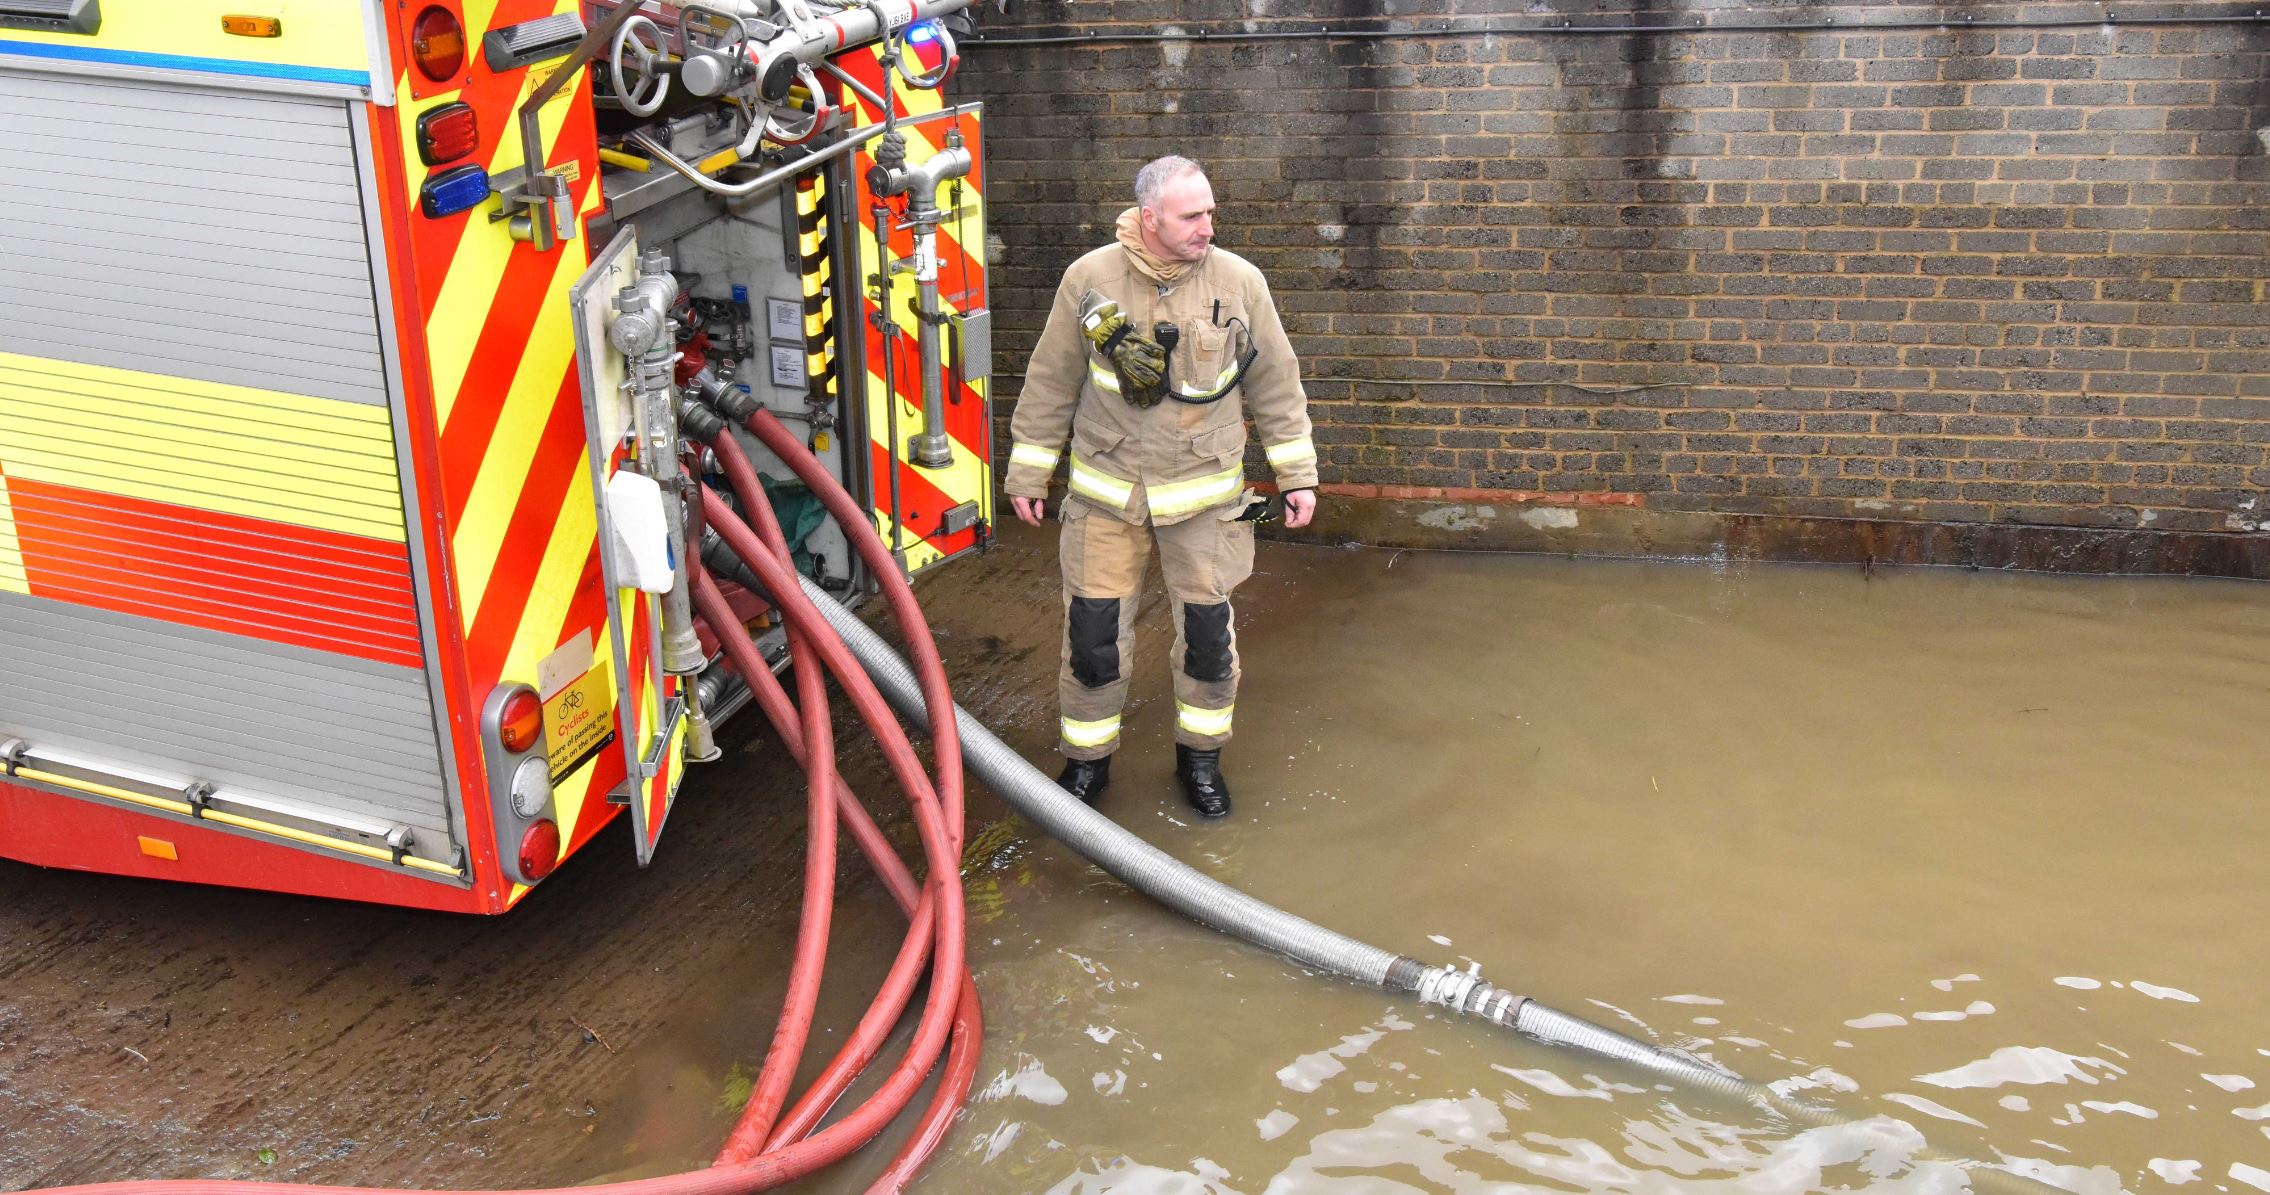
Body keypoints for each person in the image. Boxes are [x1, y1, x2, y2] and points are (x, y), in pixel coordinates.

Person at [1002, 155, 1318, 820]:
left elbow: (1277, 385)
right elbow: (1053, 379)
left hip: (1205, 499)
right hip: (1105, 494)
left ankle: (1200, 761)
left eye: (1210, 212)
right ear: (1150, 218)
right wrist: (1029, 471)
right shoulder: (1088, 280)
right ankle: (1088, 764)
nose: (1210, 225)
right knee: (1091, 640)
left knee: (1208, 640)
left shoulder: (1240, 284)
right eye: (1193, 215)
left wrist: (1298, 476)